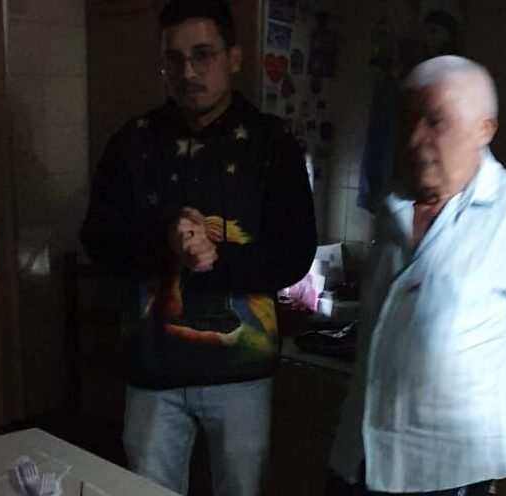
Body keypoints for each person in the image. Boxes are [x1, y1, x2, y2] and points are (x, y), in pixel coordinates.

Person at [327, 56, 506, 495]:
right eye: (408, 121)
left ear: (485, 130)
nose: (415, 138)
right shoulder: (393, 202)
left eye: (435, 122)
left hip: (445, 474)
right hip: (358, 458)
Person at [80, 1, 317, 494]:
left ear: (234, 57)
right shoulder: (132, 141)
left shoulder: (273, 143)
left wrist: (217, 259)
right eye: (174, 59)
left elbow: (296, 252)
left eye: (203, 55)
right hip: (151, 368)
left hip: (241, 372)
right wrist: (164, 242)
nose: (187, 72)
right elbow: (96, 239)